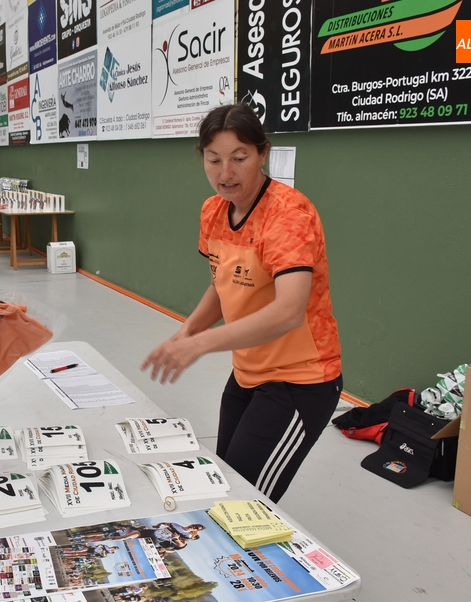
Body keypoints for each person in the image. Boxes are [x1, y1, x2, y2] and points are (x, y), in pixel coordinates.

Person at [141, 102, 343, 504]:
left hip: (298, 382)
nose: (226, 173)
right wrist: (186, 333)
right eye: (214, 160)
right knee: (224, 483)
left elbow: (288, 311)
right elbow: (222, 284)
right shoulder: (212, 211)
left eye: (239, 158)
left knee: (244, 503)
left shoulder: (289, 214)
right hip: (247, 374)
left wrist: (200, 345)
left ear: (262, 153)